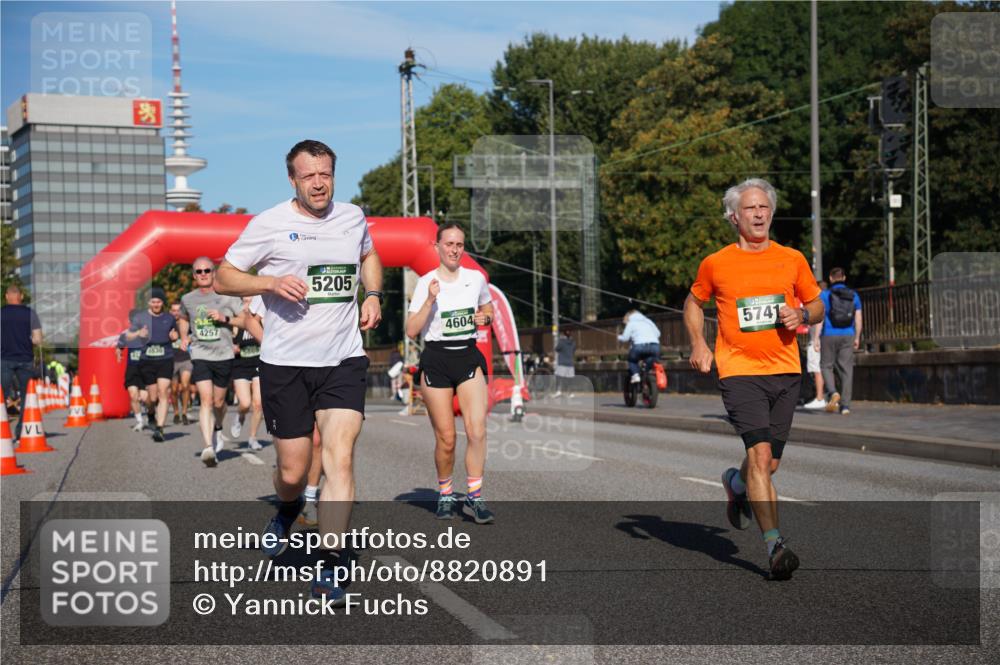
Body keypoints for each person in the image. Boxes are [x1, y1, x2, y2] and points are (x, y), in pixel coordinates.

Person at [215, 139, 383, 605]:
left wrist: (373, 295)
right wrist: (268, 281)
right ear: (292, 179)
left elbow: (369, 255)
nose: (318, 182)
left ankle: (330, 566)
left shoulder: (351, 218)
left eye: (325, 173)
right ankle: (288, 509)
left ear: (333, 174)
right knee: (292, 471)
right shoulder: (269, 224)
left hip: (343, 360)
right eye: (308, 175)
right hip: (286, 365)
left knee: (339, 458)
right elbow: (226, 275)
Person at [684, 178, 823, 581]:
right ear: (734, 217)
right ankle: (775, 546)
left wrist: (803, 315)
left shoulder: (792, 259)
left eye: (764, 207)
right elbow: (693, 303)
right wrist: (698, 342)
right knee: (761, 456)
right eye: (750, 208)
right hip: (739, 371)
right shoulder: (717, 263)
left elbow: (815, 303)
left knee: (771, 463)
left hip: (785, 369)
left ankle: (736, 484)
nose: (759, 213)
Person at [405, 223, 494, 524]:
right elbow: (411, 330)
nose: (455, 249)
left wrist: (486, 317)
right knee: (446, 439)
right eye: (449, 244)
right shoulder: (425, 282)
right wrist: (430, 300)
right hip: (436, 359)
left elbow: (488, 308)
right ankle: (445, 494)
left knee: (477, 430)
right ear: (437, 246)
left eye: (459, 244)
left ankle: (475, 497)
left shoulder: (475, 278)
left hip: (467, 355)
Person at [178, 258, 244, 466]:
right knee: (206, 400)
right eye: (199, 271)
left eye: (207, 270)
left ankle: (218, 428)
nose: (203, 274)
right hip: (200, 354)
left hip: (223, 355)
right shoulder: (188, 299)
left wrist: (225, 319)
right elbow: (183, 318)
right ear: (194, 275)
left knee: (218, 402)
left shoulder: (227, 296)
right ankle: (208, 447)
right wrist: (184, 337)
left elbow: (244, 320)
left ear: (214, 272)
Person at [132, 288, 178, 442]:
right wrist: (139, 334)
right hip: (147, 361)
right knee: (152, 397)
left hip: (165, 358)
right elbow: (128, 335)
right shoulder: (140, 318)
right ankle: (151, 413)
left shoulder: (169, 318)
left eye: (159, 301)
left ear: (162, 302)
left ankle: (160, 428)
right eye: (153, 301)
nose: (156, 304)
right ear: (149, 303)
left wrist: (174, 336)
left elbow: (175, 333)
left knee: (164, 392)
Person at [820, 267, 863, 415]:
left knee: (826, 365)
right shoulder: (854, 295)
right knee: (846, 369)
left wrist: (816, 337)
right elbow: (858, 318)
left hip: (829, 334)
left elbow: (820, 317)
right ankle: (845, 406)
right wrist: (857, 337)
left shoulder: (825, 295)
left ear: (831, 279)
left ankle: (832, 392)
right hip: (848, 334)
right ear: (844, 278)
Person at [1, 284, 42, 439]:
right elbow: (38, 339)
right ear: (21, 297)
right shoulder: (31, 314)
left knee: (1, 396)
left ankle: (2, 433)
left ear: (6, 296)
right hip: (25, 359)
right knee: (27, 396)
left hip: (4, 359)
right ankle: (21, 433)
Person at [230, 297, 264, 451]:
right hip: (241, 366)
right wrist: (232, 347)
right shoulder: (237, 323)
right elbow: (228, 340)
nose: (247, 305)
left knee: (258, 403)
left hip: (258, 364)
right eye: (244, 301)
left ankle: (252, 437)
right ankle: (240, 416)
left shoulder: (260, 320)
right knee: (245, 403)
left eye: (250, 301)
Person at [116, 308, 150, 432]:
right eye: (133, 319)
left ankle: (151, 416)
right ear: (130, 321)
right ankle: (140, 421)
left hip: (146, 368)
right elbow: (121, 344)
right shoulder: (127, 333)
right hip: (132, 368)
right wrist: (118, 352)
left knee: (147, 398)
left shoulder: (148, 331)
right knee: (133, 395)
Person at [617, 309, 661, 384]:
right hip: (654, 346)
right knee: (649, 362)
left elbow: (625, 338)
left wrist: (618, 337)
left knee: (632, 361)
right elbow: (658, 334)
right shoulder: (648, 321)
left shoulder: (631, 323)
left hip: (639, 346)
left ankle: (635, 375)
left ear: (629, 316)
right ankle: (645, 374)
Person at [803, 280, 828, 409]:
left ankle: (820, 397)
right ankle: (828, 395)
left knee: (817, 369)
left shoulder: (818, 301)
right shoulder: (829, 298)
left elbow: (819, 321)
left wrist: (816, 339)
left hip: (816, 340)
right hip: (828, 338)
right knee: (825, 368)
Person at [169, 302, 194, 425]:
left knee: (185, 386)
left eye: (178, 310)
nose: (176, 313)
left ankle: (184, 412)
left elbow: (196, 333)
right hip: (171, 360)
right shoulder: (167, 324)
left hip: (185, 358)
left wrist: (190, 338)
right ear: (170, 312)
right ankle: (176, 412)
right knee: (173, 390)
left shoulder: (187, 324)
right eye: (173, 310)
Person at [552, 329, 577, 398]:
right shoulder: (573, 342)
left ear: (564, 334)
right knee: (570, 379)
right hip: (570, 363)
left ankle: (558, 391)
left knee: (558, 377)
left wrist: (561, 339)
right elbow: (574, 349)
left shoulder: (562, 342)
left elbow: (556, 349)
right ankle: (571, 393)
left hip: (562, 362)